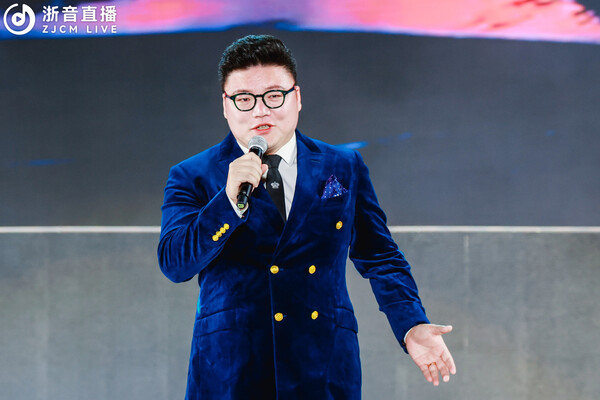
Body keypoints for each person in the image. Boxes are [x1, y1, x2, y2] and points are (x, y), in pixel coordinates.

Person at [158, 34, 456, 400]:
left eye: (273, 96)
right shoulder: (192, 175)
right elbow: (175, 263)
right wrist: (228, 202)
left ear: (296, 97)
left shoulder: (343, 165)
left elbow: (380, 255)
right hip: (231, 368)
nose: (260, 111)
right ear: (226, 105)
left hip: (323, 362)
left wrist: (411, 323)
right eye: (244, 99)